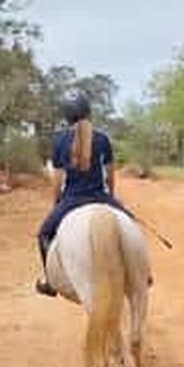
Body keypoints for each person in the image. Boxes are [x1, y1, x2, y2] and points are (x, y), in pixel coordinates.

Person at [35, 92, 132, 296]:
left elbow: (58, 180)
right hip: (100, 196)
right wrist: (111, 196)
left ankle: (50, 281)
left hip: (71, 200)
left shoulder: (60, 140)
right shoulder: (102, 138)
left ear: (67, 116)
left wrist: (56, 203)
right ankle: (141, 274)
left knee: (44, 233)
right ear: (88, 113)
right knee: (130, 223)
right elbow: (110, 176)